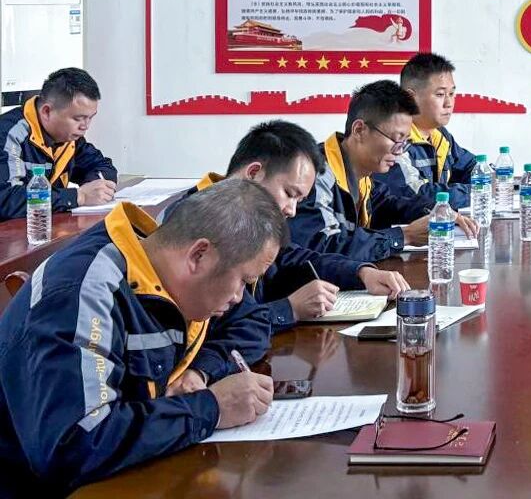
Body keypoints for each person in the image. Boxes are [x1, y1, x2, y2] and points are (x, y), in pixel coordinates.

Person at [0, 181, 285, 494]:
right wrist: (212, 408)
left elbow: (250, 320)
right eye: (243, 281)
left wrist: (202, 370)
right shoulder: (86, 291)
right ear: (199, 255)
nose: (239, 297)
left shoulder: (167, 268)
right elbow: (75, 445)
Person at [168, 120, 409, 331]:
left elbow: (292, 258)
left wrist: (361, 273)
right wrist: (289, 309)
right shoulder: (199, 222)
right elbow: (229, 328)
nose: (291, 210)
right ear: (254, 173)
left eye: (299, 200)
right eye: (289, 194)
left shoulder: (254, 222)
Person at [288, 81, 476, 262]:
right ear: (359, 130)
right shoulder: (315, 174)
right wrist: (404, 236)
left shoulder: (363, 176)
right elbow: (322, 247)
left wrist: (439, 211)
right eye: (396, 140)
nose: (400, 152)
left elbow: (392, 205)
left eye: (405, 142)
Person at [370, 52, 479, 223]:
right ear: (410, 97)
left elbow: (474, 168)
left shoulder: (440, 135)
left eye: (451, 94)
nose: (449, 103)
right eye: (440, 94)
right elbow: (420, 195)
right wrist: (478, 192)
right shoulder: (394, 140)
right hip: (399, 235)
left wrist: (485, 182)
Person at [0, 67, 117, 220]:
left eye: (90, 118)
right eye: (78, 118)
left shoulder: (68, 138)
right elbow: (6, 199)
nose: (85, 126)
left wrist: (98, 187)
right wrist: (79, 196)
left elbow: (102, 166)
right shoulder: (9, 133)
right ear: (46, 112)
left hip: (45, 227)